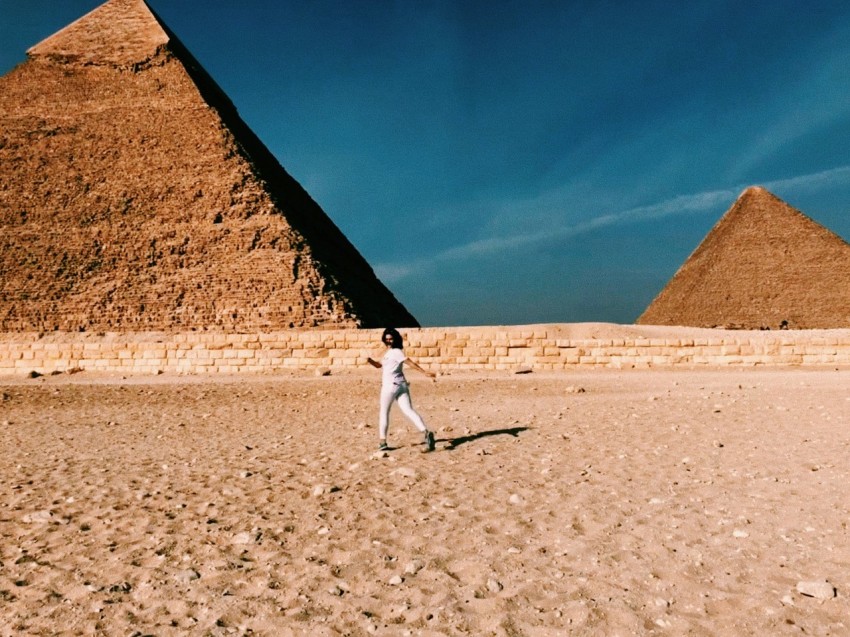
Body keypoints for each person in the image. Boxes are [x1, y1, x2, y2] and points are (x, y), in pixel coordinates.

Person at [366, 327, 436, 452]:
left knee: (384, 412)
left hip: (390, 386)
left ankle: (383, 442)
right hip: (401, 385)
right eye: (386, 339)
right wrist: (370, 361)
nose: (388, 342)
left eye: (391, 339)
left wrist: (424, 372)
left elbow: (409, 363)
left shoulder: (397, 352)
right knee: (408, 410)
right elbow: (379, 366)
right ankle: (425, 432)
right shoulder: (388, 353)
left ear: (395, 339)